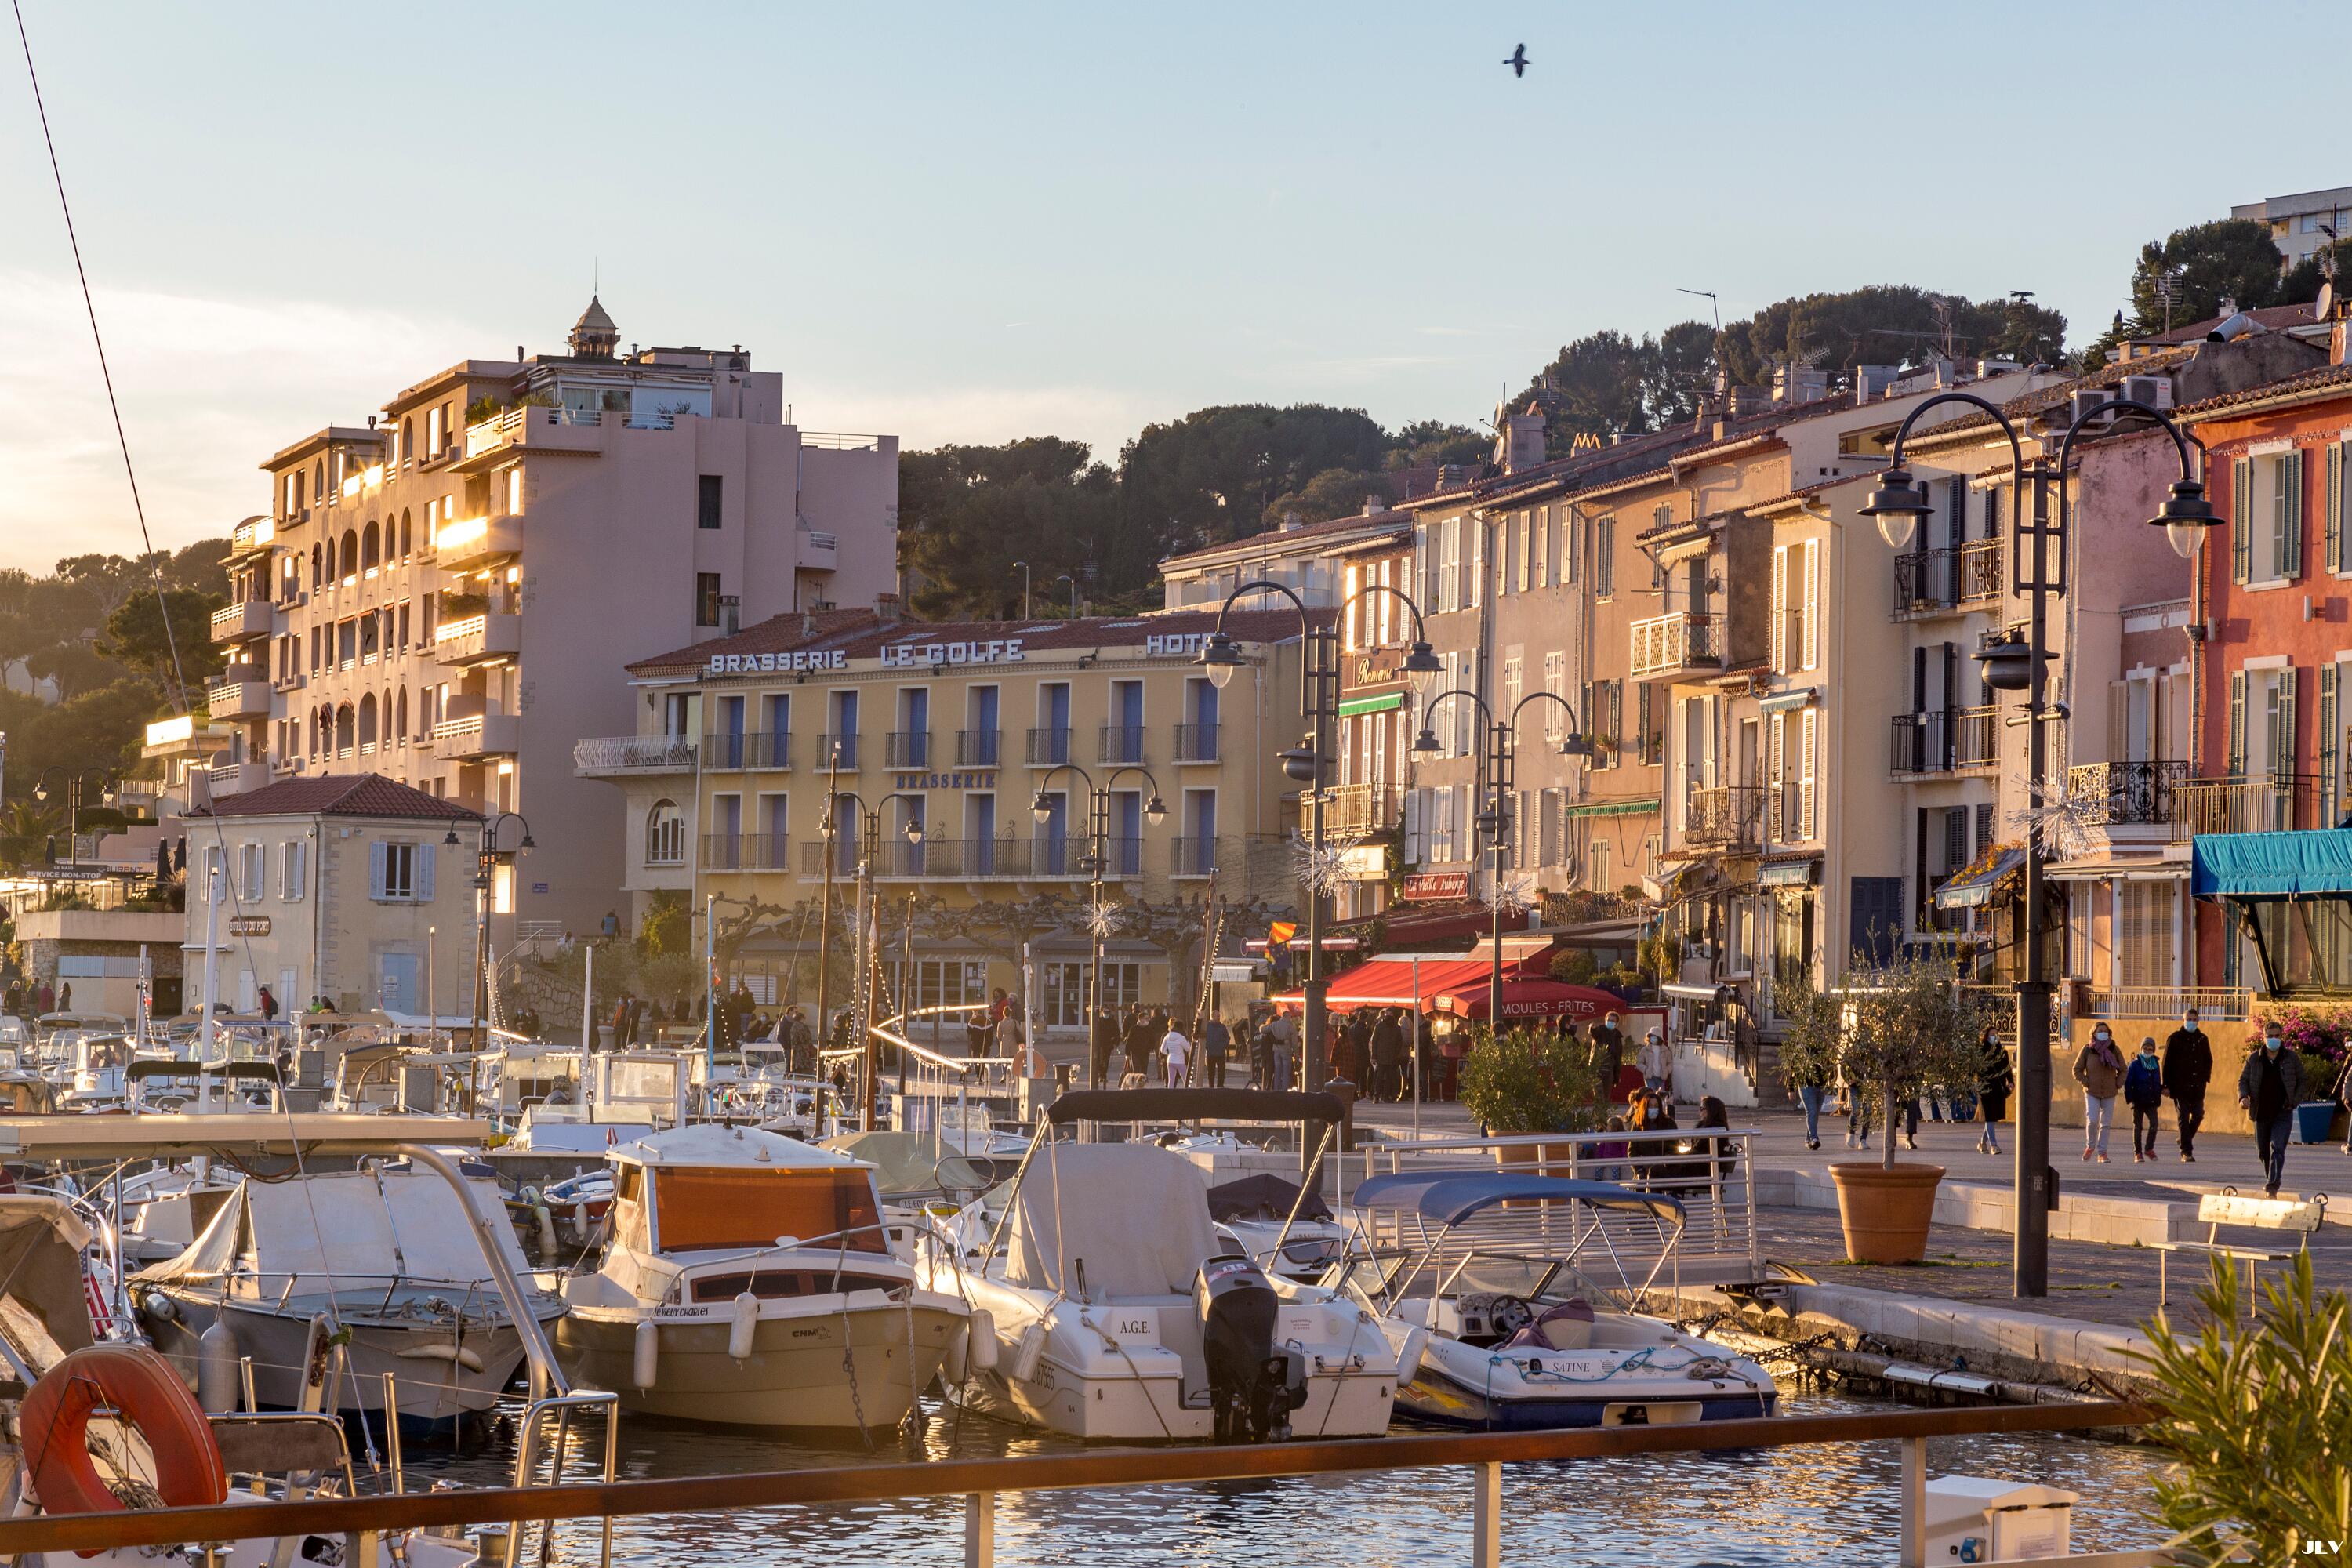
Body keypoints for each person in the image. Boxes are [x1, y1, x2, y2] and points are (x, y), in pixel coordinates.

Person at [2239, 1021, 2307, 1196]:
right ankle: (2271, 1177)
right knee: (2263, 1151)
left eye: (2277, 1036)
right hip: (2261, 1112)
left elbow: (2302, 1080)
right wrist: (2243, 1097)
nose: (2274, 1039)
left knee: (2278, 1148)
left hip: (2283, 1112)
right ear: (2264, 1037)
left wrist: (2294, 1101)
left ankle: (2272, 1185)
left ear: (2282, 1037)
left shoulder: (2290, 1058)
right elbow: (2243, 1080)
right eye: (2270, 1036)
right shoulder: (2254, 1059)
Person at [2163, 1008, 2212, 1163]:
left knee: (2198, 1114)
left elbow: (2208, 1060)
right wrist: (2166, 1085)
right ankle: (2186, 1151)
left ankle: (2185, 1138)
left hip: (2197, 1086)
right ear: (2183, 1020)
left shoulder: (2202, 1039)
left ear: (2198, 1021)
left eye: (2194, 1019)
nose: (2191, 1022)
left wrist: (2205, 1078)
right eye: (2188, 1019)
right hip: (2179, 1087)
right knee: (2183, 1117)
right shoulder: (2175, 1038)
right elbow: (2167, 1063)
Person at [2073, 1024, 2126, 1163]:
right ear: (2094, 1033)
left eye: (2105, 1031)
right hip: (2092, 1091)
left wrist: (2118, 1083)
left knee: (2105, 1124)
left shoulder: (2114, 1049)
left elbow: (2123, 1070)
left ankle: (2102, 1153)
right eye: (2100, 1031)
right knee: (2092, 1120)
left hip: (2109, 1092)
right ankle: (2090, 1146)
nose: (2103, 1033)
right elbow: (2076, 1069)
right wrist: (2086, 1081)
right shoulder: (2087, 1049)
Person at [2124, 1035, 2165, 1163]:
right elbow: (2128, 1082)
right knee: (2138, 1127)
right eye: (2145, 1048)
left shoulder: (2155, 1064)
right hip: (2138, 1100)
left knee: (2154, 1123)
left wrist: (2159, 1095)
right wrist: (2130, 1098)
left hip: (2151, 1100)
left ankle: (2149, 1148)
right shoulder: (2135, 1064)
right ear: (2141, 1049)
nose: (2147, 1051)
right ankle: (2138, 1153)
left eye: (2150, 1049)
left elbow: (2157, 1081)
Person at [1975, 1027, 2012, 1156]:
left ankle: (1982, 1143)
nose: (1995, 1036)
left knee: (1992, 1118)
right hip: (1984, 1088)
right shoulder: (1980, 1052)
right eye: (1992, 1034)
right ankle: (1994, 1145)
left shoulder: (2002, 1052)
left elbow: (2007, 1069)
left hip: (1998, 1088)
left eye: (1996, 1034)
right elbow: (1975, 1069)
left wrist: (2010, 1082)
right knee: (1989, 1117)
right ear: (1986, 1036)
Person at [1791, 1050, 1831, 1152]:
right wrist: (1791, 1088)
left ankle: (1808, 1140)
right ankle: (1814, 1139)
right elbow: (1794, 1069)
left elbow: (1829, 1065)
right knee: (1812, 1112)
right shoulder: (1802, 1049)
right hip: (1806, 1085)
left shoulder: (1823, 1047)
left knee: (1815, 1114)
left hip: (1820, 1086)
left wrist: (1829, 1079)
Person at [1370, 1007, 1405, 1102]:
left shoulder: (1380, 1026)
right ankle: (1383, 1096)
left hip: (1384, 1056)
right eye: (1387, 1013)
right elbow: (1399, 1042)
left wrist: (1374, 1056)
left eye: (1389, 1013)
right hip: (1389, 1056)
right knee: (1386, 1077)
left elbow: (1375, 1042)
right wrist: (1396, 1053)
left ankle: (1378, 1096)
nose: (1388, 1015)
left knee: (1381, 1077)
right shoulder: (1395, 1027)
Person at [1590, 1011, 1625, 1105]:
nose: (1610, 1022)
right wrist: (1591, 1028)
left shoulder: (1617, 1036)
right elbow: (1593, 1033)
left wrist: (1617, 1076)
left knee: (1606, 1096)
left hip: (1609, 1070)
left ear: (1616, 1023)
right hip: (1597, 1068)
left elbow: (1618, 1058)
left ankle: (1603, 1112)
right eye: (1608, 1020)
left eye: (1613, 1021)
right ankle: (1599, 1112)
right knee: (1599, 1095)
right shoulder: (1600, 1030)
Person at [1089, 1007, 1119, 1089]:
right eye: (1105, 1013)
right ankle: (1101, 1075)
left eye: (1107, 1013)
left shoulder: (1112, 1022)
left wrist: (1115, 1043)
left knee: (1106, 1060)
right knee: (1100, 1060)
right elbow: (1095, 1032)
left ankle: (1104, 1075)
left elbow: (1117, 1033)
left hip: (1109, 1044)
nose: (1106, 1015)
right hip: (1100, 1044)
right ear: (1102, 1013)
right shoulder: (1099, 1021)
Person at [1635, 1027, 1671, 1096]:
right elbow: (1639, 1063)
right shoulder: (1645, 1050)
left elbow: (1670, 1063)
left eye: (1655, 1037)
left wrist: (1666, 1071)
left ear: (1659, 1038)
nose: (1653, 1038)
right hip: (1650, 1077)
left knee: (1661, 1097)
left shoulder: (1665, 1050)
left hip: (1661, 1077)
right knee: (1651, 1095)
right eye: (1651, 1036)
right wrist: (1646, 1070)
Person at [1200, 1013, 1231, 1088]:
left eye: (1219, 1016)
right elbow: (1203, 1037)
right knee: (1211, 1073)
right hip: (1211, 1053)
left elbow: (1227, 1037)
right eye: (1217, 1016)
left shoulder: (1222, 1027)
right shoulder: (1207, 1027)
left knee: (1221, 1072)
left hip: (1221, 1054)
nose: (1219, 1017)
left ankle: (1220, 1087)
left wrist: (1223, 1046)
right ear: (1213, 1016)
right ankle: (1211, 1088)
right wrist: (1207, 1046)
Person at [1160, 1017, 1191, 1087]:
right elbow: (1188, 1049)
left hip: (1170, 1060)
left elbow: (1162, 1050)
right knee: (1186, 1080)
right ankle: (1188, 1092)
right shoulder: (1182, 1037)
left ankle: (1170, 1093)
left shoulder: (1167, 1036)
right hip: (1180, 1061)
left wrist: (1169, 1054)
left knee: (1171, 1080)